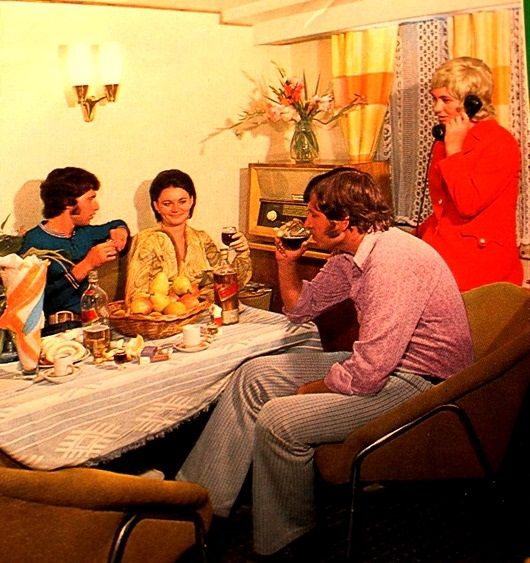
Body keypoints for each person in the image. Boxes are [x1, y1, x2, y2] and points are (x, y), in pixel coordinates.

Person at [176, 167, 474, 557]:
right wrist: (287, 263)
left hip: (423, 383)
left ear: (343, 219)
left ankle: (289, 542)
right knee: (254, 374)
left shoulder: (393, 261)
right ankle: (199, 507)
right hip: (386, 365)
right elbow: (302, 308)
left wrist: (311, 390)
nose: (306, 223)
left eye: (313, 214)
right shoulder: (350, 254)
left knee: (279, 420)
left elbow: (367, 374)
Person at [418, 56, 523, 291]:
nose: (436, 108)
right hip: (443, 256)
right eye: (434, 99)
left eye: (445, 100)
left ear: (472, 102)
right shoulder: (445, 141)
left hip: (481, 268)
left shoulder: (499, 142)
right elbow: (443, 206)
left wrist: (454, 151)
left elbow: (468, 204)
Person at [19, 167, 129, 329]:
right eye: (90, 199)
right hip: (55, 331)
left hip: (91, 325)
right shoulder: (35, 243)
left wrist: (120, 230)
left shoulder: (84, 233)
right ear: (67, 202)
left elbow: (116, 224)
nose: (96, 206)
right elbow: (37, 304)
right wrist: (86, 265)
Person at [125, 169, 252, 300]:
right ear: (156, 206)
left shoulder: (202, 238)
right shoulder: (146, 240)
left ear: (191, 201)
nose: (175, 209)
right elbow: (135, 296)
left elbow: (228, 284)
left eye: (182, 201)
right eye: (167, 204)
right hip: (165, 312)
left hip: (204, 309)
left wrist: (243, 253)